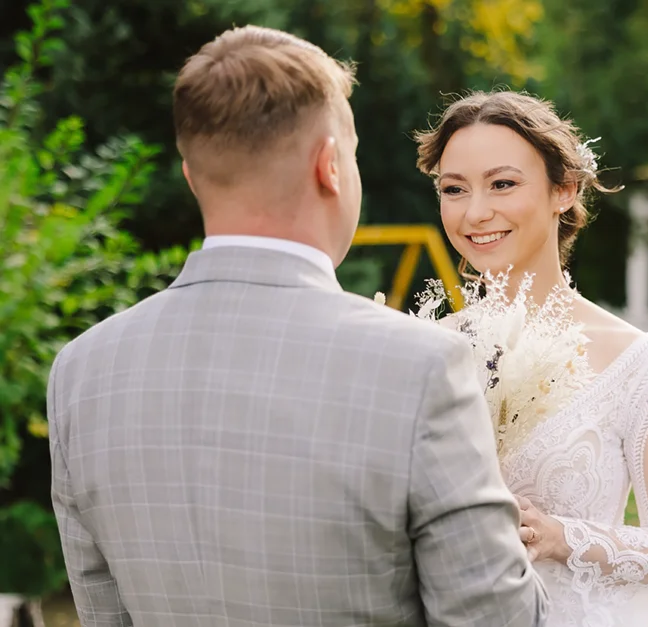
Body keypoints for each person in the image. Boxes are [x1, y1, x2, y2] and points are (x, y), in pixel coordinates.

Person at [47, 27, 548, 627]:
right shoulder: (421, 367)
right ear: (329, 165)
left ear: (191, 174)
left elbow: (102, 613)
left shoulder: (81, 370)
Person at [415, 90, 648, 627]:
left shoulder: (640, 363)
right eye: (454, 189)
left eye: (502, 184)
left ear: (565, 189)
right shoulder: (425, 350)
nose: (475, 213)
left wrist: (562, 538)